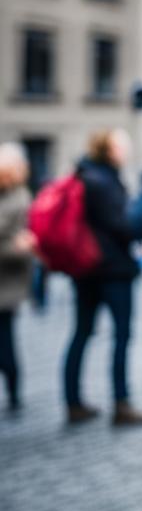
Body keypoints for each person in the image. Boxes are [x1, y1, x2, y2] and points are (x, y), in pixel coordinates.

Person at [65, 130, 142, 425]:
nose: (126, 151)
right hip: (112, 269)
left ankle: (73, 400)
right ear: (110, 150)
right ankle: (121, 402)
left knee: (82, 332)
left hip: (86, 269)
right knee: (121, 335)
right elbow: (122, 225)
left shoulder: (84, 176)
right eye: (122, 146)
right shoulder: (103, 182)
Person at [0, 143, 35, 411]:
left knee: (6, 340)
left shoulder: (21, 198)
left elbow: (24, 246)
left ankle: (13, 390)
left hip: (7, 283)